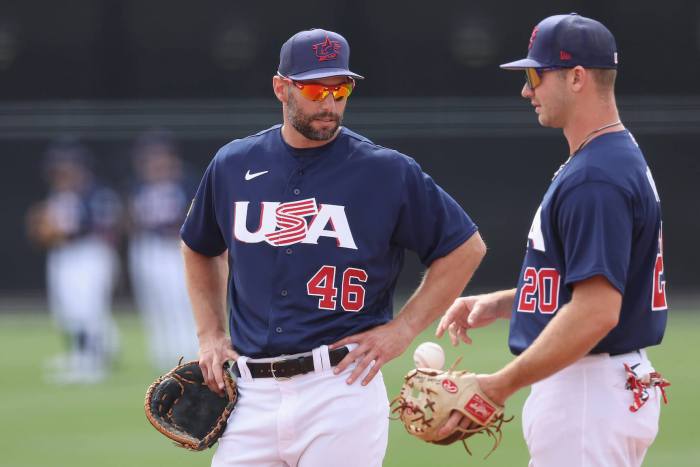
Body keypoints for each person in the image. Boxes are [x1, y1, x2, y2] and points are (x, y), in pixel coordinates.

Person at [180, 28, 486, 467]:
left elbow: (465, 247)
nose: (329, 102)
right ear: (280, 87)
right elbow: (198, 245)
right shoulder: (234, 163)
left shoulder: (385, 171)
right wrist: (209, 334)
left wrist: (403, 329)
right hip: (249, 394)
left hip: (341, 388)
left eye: (340, 88)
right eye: (314, 89)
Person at [436, 13, 669, 466]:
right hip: (599, 387)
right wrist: (511, 302)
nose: (527, 90)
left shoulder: (596, 177)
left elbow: (598, 310)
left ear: (577, 77)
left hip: (588, 390)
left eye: (535, 75)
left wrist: (498, 385)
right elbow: (607, 279)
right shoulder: (611, 157)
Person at [26, 137, 122, 383]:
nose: (61, 171)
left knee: (89, 307)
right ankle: (79, 355)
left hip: (89, 253)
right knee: (67, 310)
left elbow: (103, 224)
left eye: (67, 166)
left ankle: (95, 359)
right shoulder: (58, 194)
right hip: (64, 255)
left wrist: (63, 230)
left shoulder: (95, 192)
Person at [127, 130, 199, 371]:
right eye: (150, 157)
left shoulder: (186, 181)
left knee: (182, 298)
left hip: (176, 246)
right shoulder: (138, 184)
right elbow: (131, 216)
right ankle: (162, 351)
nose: (155, 161)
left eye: (159, 155)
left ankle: (189, 350)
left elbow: (197, 213)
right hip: (148, 245)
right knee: (154, 300)